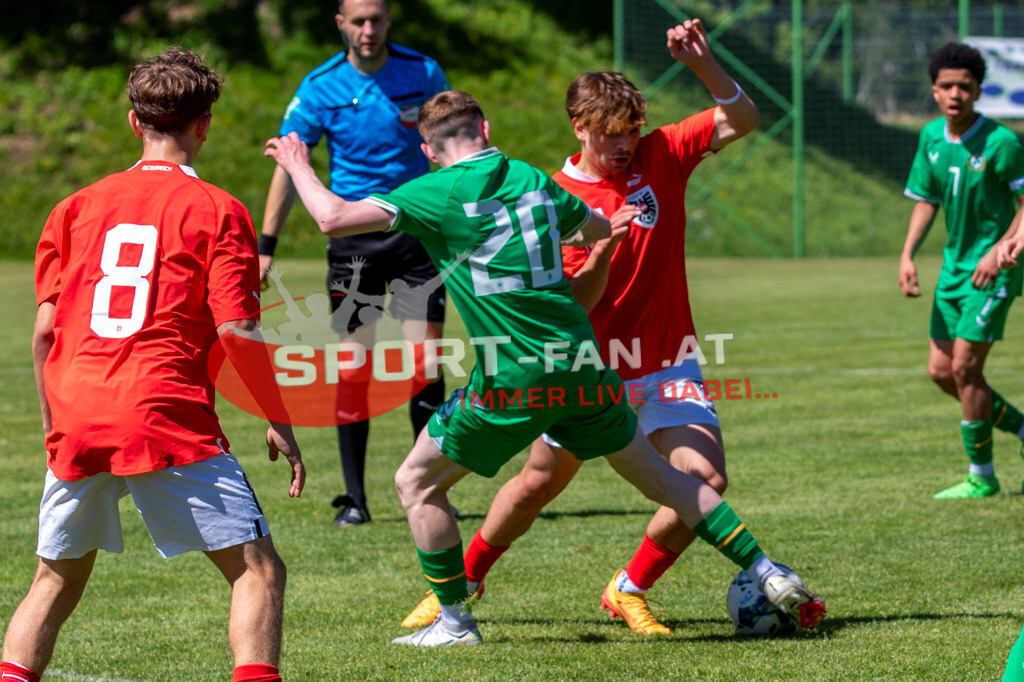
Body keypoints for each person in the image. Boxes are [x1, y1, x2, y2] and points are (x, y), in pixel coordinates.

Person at [265, 87, 825, 646]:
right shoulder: (533, 181)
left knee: (415, 483)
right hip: (584, 364)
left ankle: (456, 621)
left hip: (512, 379)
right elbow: (593, 228)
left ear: (428, 150)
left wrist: (296, 162)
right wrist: (607, 232)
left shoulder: (433, 193)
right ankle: (766, 570)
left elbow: (333, 218)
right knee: (665, 481)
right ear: (485, 130)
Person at [399, 18, 764, 636]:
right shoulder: (551, 195)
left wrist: (702, 63)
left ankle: (629, 587)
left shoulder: (664, 152)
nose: (623, 145)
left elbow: (743, 118)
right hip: (591, 367)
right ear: (579, 128)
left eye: (631, 132)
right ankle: (465, 580)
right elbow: (577, 299)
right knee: (535, 485)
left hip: (668, 358)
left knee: (705, 477)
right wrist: (603, 247)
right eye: (608, 134)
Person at [0, 48, 306, 682]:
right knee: (258, 571)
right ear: (206, 125)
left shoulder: (74, 206)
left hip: (78, 418)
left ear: (133, 121)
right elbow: (238, 329)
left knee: (53, 581)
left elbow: (45, 331)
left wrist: (56, 425)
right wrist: (280, 419)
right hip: (164, 416)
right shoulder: (220, 210)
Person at [258, 0, 450, 526]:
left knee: (425, 366)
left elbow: (451, 141)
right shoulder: (319, 85)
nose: (368, 30)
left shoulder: (424, 71)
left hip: (416, 236)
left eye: (377, 19)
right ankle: (355, 500)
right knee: (354, 366)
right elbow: (288, 164)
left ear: (390, 19)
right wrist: (266, 242)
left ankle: (432, 487)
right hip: (353, 246)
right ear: (340, 22)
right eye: (358, 21)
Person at [898, 41, 1024, 500]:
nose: (956, 95)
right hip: (953, 271)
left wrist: (1005, 246)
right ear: (934, 91)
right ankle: (1022, 429)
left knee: (967, 369)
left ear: (978, 91)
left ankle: (982, 475)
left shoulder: (1002, 142)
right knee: (941, 372)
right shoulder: (931, 137)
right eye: (947, 86)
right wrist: (908, 254)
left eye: (965, 87)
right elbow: (926, 200)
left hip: (995, 271)